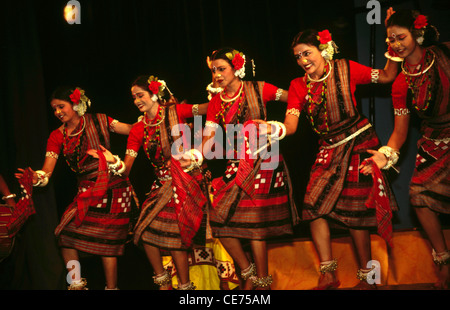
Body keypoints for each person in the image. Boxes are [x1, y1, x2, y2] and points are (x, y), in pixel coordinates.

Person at [263, 29, 399, 289]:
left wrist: (391, 44)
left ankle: (367, 277)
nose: (303, 60)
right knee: (312, 207)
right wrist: (274, 128)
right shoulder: (298, 85)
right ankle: (328, 272)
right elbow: (291, 124)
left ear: (322, 50)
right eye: (298, 56)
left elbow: (387, 76)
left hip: (358, 141)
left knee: (355, 214)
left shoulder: (346, 68)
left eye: (307, 53)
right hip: (328, 148)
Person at [93, 75, 210, 290]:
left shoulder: (177, 111)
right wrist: (113, 161)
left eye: (140, 95)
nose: (136, 100)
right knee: (143, 232)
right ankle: (163, 281)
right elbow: (126, 168)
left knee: (173, 235)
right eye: (134, 97)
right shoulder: (138, 129)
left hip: (187, 180)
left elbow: (208, 109)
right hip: (163, 185)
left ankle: (184, 287)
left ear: (154, 94)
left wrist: (217, 85)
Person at [15, 86, 134, 290]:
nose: (58, 112)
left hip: (113, 187)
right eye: (54, 109)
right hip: (86, 191)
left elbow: (133, 130)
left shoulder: (100, 120)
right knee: (65, 235)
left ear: (75, 104)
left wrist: (156, 117)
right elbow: (47, 172)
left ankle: (111, 288)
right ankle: (76, 285)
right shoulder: (57, 136)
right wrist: (36, 177)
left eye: (61, 107)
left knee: (108, 244)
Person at [364, 8, 449, 289]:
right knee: (417, 195)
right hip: (434, 139)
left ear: (417, 34)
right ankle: (444, 262)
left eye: (401, 37)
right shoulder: (401, 82)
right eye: (391, 40)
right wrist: (384, 154)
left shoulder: (444, 55)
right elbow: (400, 132)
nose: (396, 44)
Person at [201, 47, 300, 290]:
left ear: (237, 67)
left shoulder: (260, 88)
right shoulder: (216, 102)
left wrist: (278, 126)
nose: (217, 75)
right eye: (214, 70)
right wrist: (194, 154)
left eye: (222, 69)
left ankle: (262, 282)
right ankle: (248, 271)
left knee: (256, 225)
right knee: (218, 221)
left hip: (265, 161)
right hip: (236, 165)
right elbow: (209, 138)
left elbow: (296, 96)